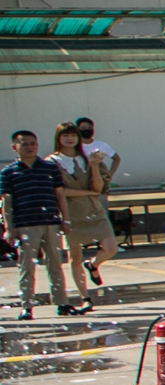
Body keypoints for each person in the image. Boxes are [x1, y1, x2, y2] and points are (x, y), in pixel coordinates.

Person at [4, 130, 78, 316]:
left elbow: (60, 195)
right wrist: (9, 228)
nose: (30, 147)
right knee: (26, 266)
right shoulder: (9, 173)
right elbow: (6, 201)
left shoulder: (50, 168)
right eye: (24, 144)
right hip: (25, 225)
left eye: (33, 143)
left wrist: (65, 219)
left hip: (51, 223)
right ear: (15, 147)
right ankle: (27, 306)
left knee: (55, 264)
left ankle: (62, 303)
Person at [48, 124, 103, 306]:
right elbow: (61, 192)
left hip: (93, 210)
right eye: (65, 135)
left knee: (110, 247)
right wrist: (87, 193)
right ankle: (84, 296)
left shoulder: (87, 158)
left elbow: (98, 188)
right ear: (58, 138)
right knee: (75, 256)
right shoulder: (51, 162)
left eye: (73, 135)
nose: (70, 139)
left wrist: (94, 166)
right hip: (69, 212)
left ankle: (93, 265)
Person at [72, 117, 118, 275]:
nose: (86, 130)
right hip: (80, 193)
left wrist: (109, 175)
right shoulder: (73, 149)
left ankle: (98, 254)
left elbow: (116, 158)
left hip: (97, 189)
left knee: (102, 216)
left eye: (88, 127)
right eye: (82, 128)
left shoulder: (100, 146)